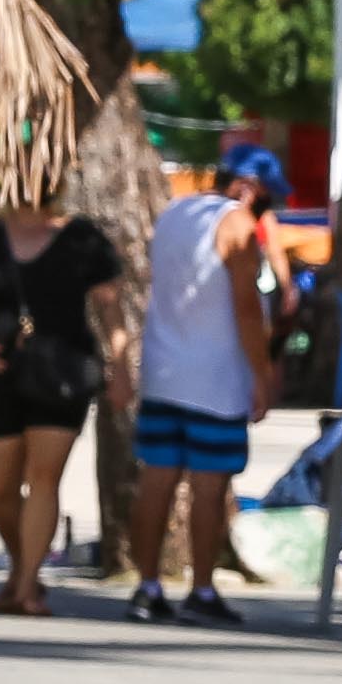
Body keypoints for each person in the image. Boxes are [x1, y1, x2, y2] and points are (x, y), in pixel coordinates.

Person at [129, 144, 286, 624]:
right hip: (216, 377)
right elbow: (245, 307)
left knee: (156, 481)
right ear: (250, 188)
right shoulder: (237, 225)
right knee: (209, 488)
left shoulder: (176, 214)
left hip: (163, 369)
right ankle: (200, 589)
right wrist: (261, 375)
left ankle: (147, 584)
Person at [0, 193, 123, 616]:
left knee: (44, 480)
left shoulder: (82, 237)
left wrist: (120, 364)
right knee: (1, 489)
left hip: (64, 368)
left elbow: (110, 307)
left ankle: (28, 584)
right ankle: (20, 566)